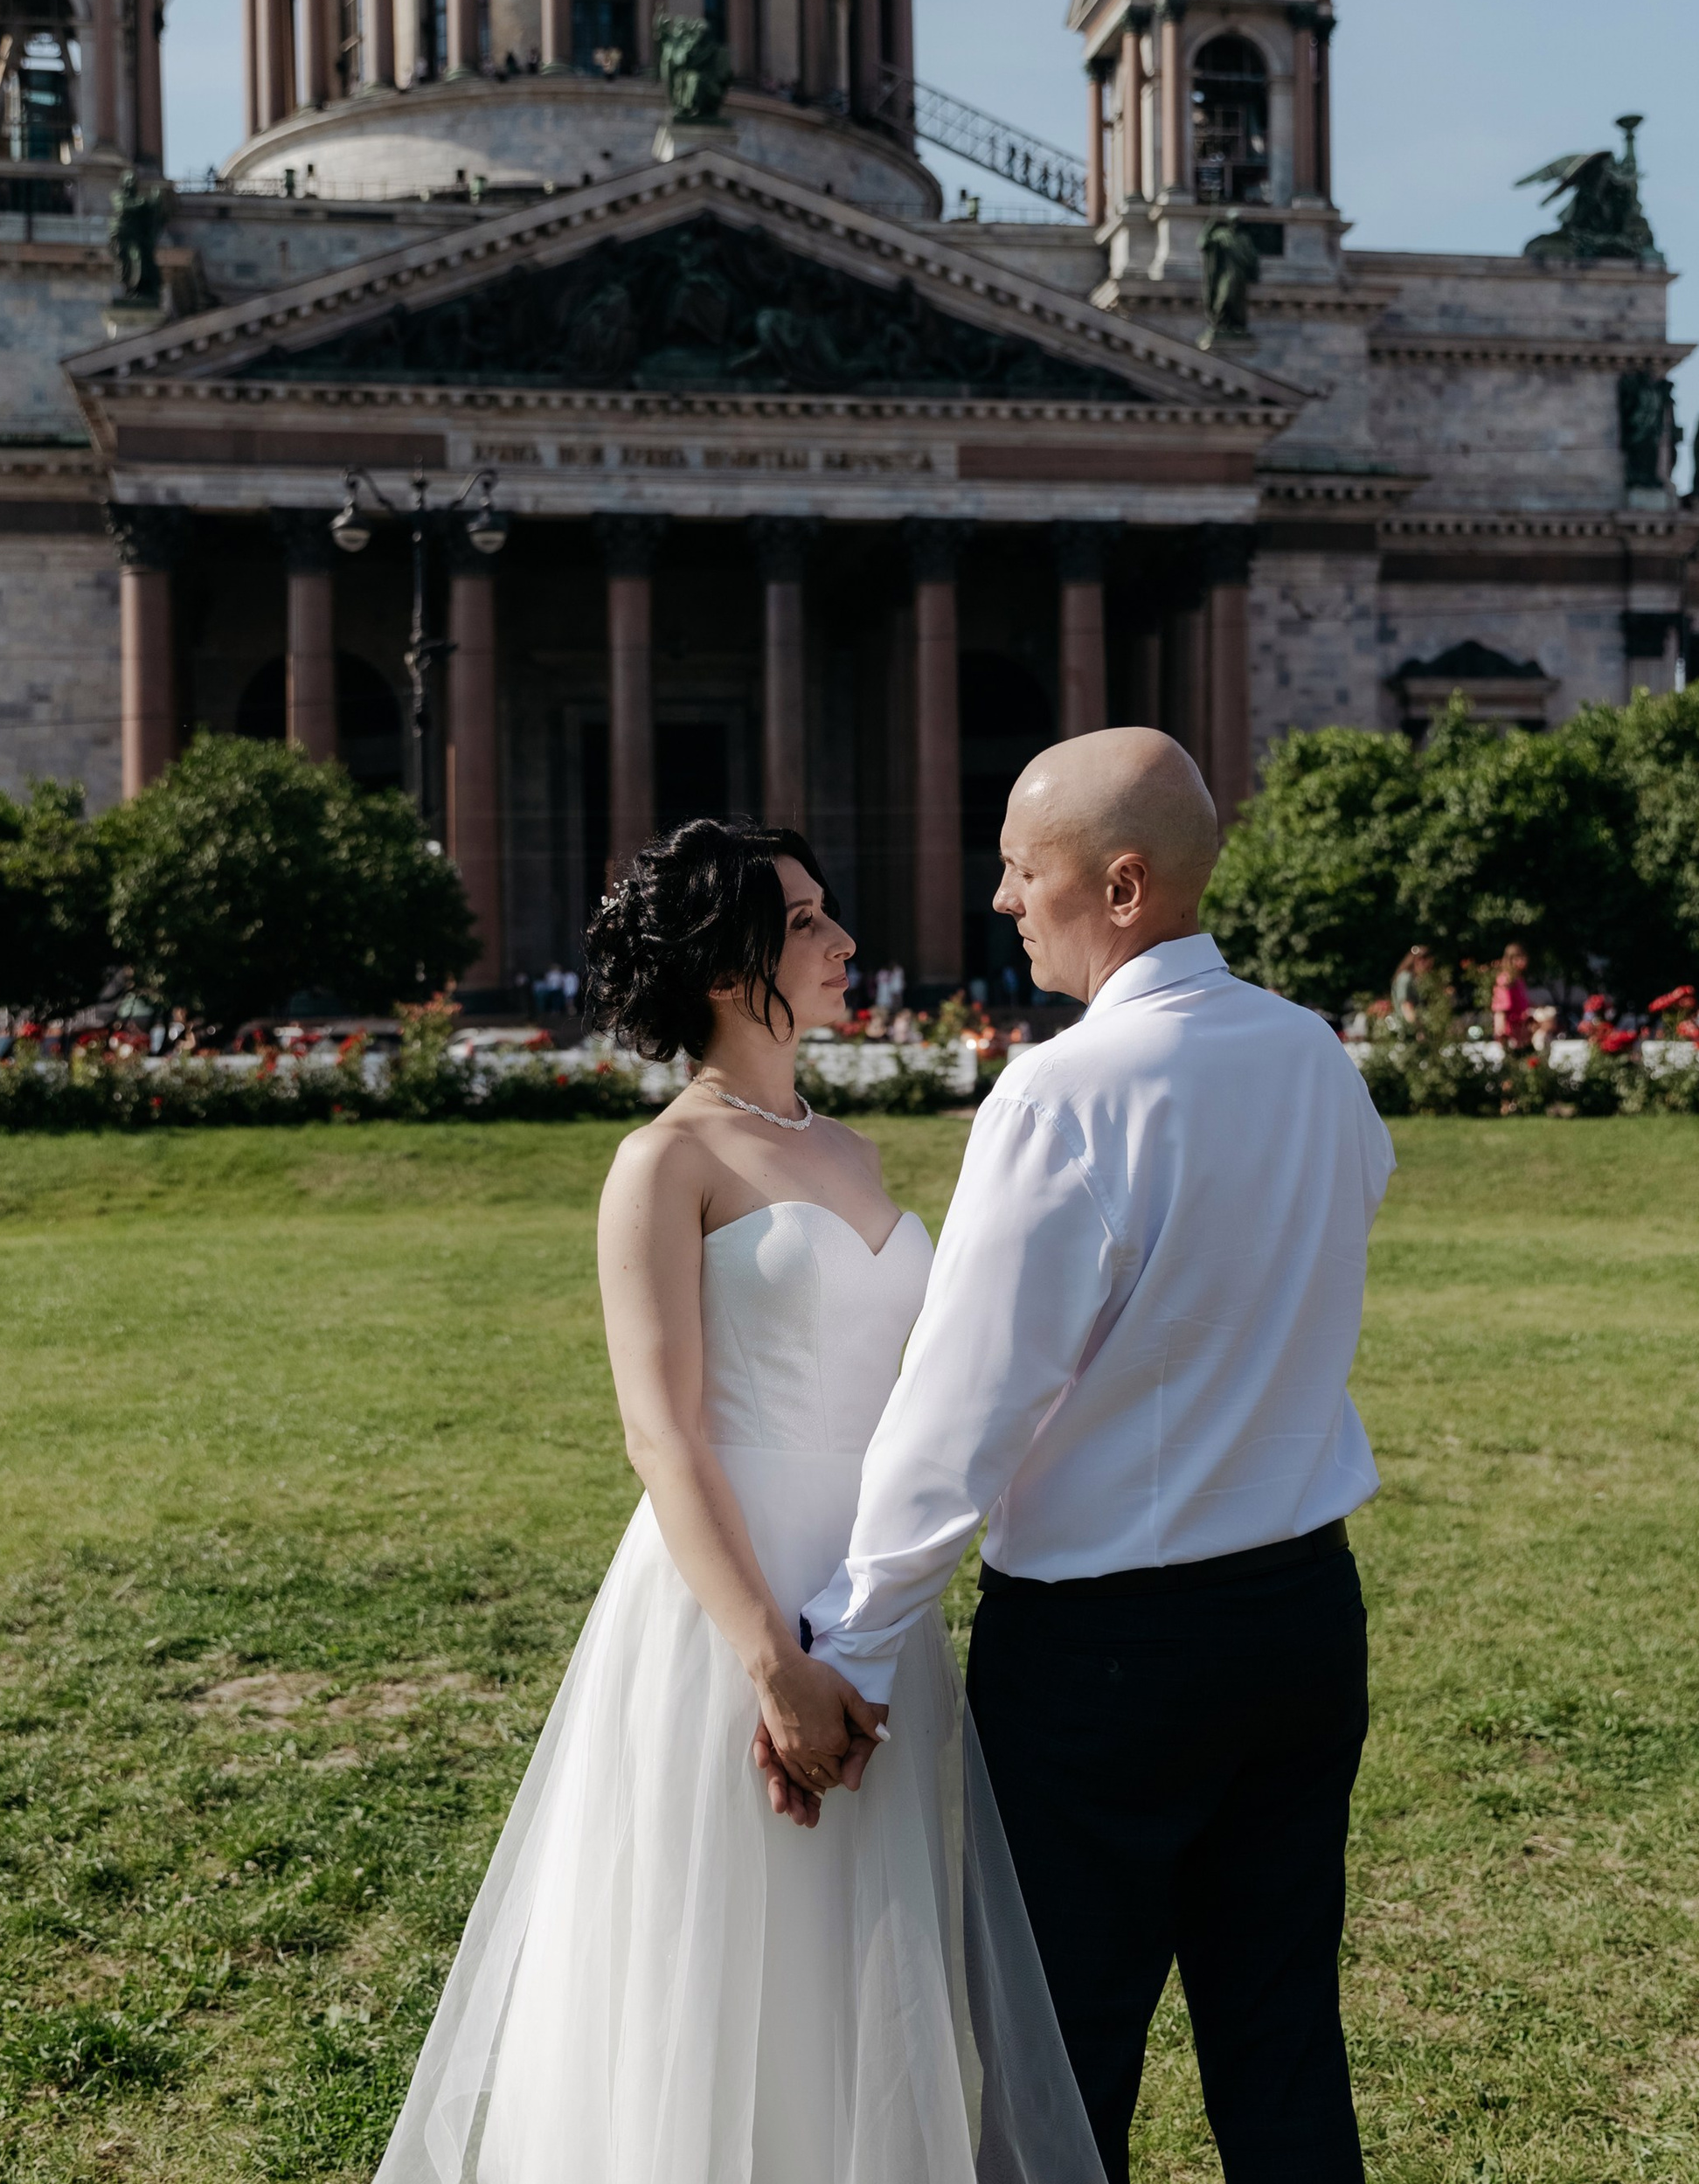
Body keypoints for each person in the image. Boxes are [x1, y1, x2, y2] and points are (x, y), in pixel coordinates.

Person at [376, 819, 1104, 2184]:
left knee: (860, 1949)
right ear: (726, 964)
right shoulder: (665, 1163)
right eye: (808, 920)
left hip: (870, 1593)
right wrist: (770, 1659)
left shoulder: (858, 1155)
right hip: (731, 1594)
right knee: (717, 1948)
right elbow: (659, 1434)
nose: (844, 941)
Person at [792, 728, 1395, 2184]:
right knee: (1282, 2045)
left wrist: (855, 1641)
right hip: (1302, 1617)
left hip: (1107, 1658)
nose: (1002, 899)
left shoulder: (1063, 1094)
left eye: (1023, 869)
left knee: (1059, 2065)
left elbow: (966, 1402)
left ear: (1121, 888)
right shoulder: (1315, 1056)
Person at [1489, 943, 1534, 1051]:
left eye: (1523, 958)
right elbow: (1501, 1008)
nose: (1522, 961)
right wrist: (1500, 1030)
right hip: (1510, 1030)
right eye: (1518, 958)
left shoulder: (1519, 979)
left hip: (1520, 1028)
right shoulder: (1505, 979)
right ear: (1510, 960)